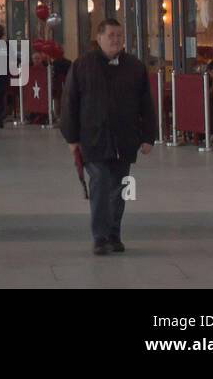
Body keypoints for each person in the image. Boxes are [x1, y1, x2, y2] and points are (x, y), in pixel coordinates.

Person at [60, 18, 156, 255]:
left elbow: (146, 104)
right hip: (93, 139)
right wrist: (72, 139)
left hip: (125, 139)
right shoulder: (82, 65)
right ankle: (100, 237)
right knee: (101, 183)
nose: (116, 40)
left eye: (120, 36)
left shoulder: (135, 67)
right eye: (111, 35)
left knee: (121, 188)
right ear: (99, 38)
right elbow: (69, 103)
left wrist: (148, 136)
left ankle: (114, 233)